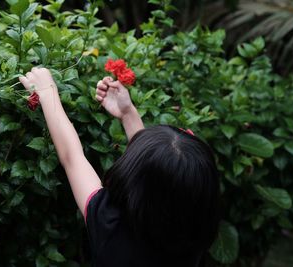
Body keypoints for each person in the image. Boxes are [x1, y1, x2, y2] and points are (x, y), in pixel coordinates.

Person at [19, 68, 220, 267]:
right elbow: (159, 178)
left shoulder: (112, 227)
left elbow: (72, 157)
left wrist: (47, 91)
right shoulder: (193, 236)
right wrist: (128, 113)